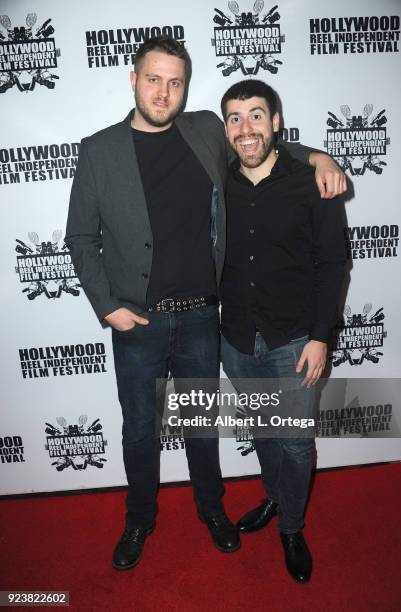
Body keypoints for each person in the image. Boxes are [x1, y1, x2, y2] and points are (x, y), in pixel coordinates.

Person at [65, 35, 346, 571]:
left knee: (201, 426)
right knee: (140, 428)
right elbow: (81, 238)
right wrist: (106, 307)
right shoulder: (97, 151)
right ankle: (139, 518)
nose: (164, 92)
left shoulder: (204, 131)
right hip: (137, 321)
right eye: (154, 79)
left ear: (185, 87)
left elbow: (260, 142)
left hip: (202, 320)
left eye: (175, 82)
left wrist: (319, 154)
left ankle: (211, 509)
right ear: (133, 79)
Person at [219, 79, 346, 583]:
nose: (245, 128)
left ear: (276, 123)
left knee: (294, 442)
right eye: (234, 118)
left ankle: (291, 527)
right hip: (236, 337)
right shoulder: (218, 178)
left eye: (256, 115)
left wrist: (321, 337)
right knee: (264, 433)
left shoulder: (312, 181)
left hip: (294, 338)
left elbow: (333, 263)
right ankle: (275, 498)